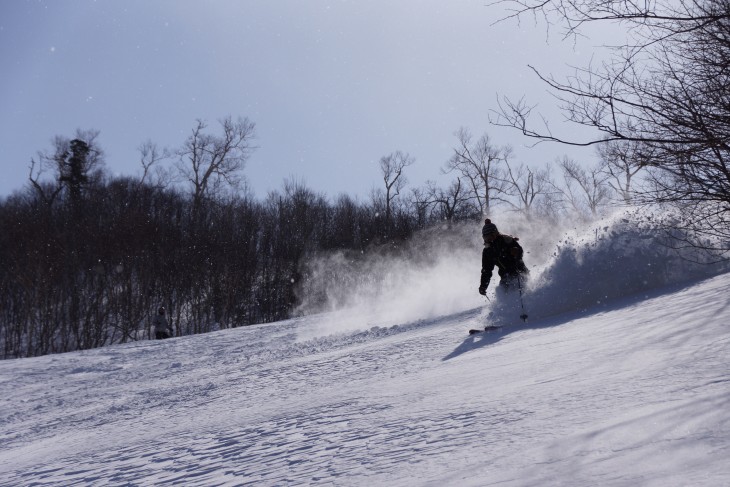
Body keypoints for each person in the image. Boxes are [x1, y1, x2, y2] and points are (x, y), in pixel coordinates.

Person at [478, 219, 528, 296]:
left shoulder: (507, 240)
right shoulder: (487, 251)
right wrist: (483, 286)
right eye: (485, 237)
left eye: (490, 236)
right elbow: (486, 270)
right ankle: (506, 305)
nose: (488, 239)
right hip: (505, 276)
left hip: (519, 271)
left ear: (495, 233)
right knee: (504, 292)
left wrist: (516, 251)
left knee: (524, 290)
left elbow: (520, 251)